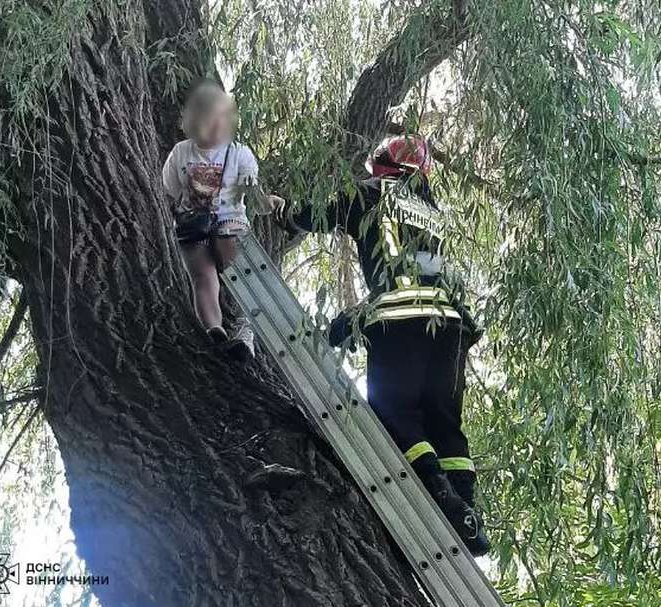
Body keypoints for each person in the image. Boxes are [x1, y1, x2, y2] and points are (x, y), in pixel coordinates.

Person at [278, 134, 490, 556]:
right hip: (447, 326)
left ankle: (437, 491)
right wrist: (347, 323)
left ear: (382, 166)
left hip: (399, 318)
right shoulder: (433, 213)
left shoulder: (373, 192)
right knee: (443, 421)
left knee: (395, 410)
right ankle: (467, 510)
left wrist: (285, 212)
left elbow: (320, 213)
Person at [163, 79, 282, 360]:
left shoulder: (182, 151)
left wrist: (266, 202)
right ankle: (237, 329)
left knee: (204, 279)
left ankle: (215, 328)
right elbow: (254, 197)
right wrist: (268, 204)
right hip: (229, 224)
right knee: (242, 276)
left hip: (194, 226)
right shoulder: (239, 152)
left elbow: (170, 192)